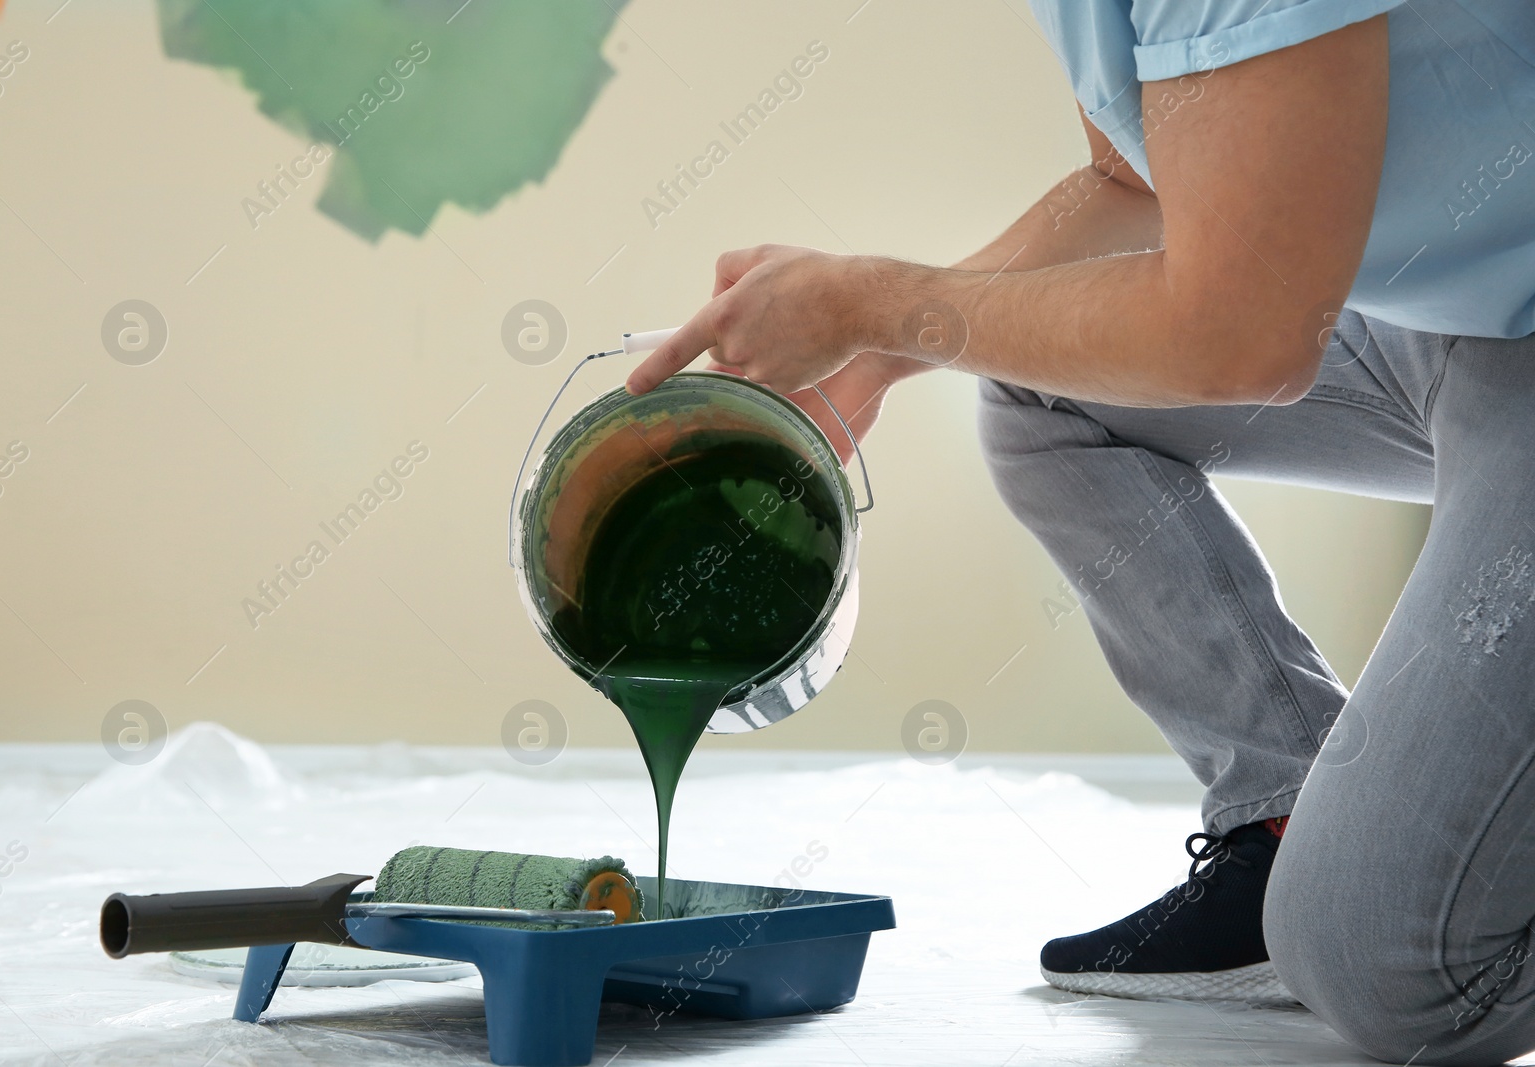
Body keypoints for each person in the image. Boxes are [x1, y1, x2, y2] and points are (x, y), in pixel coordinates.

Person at [624, 3, 1535, 1063]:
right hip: (1467, 324)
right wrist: (884, 353)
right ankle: (1283, 824)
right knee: (1040, 387)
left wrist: (874, 302)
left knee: (1389, 966)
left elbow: (1242, 340)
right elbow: (1130, 186)